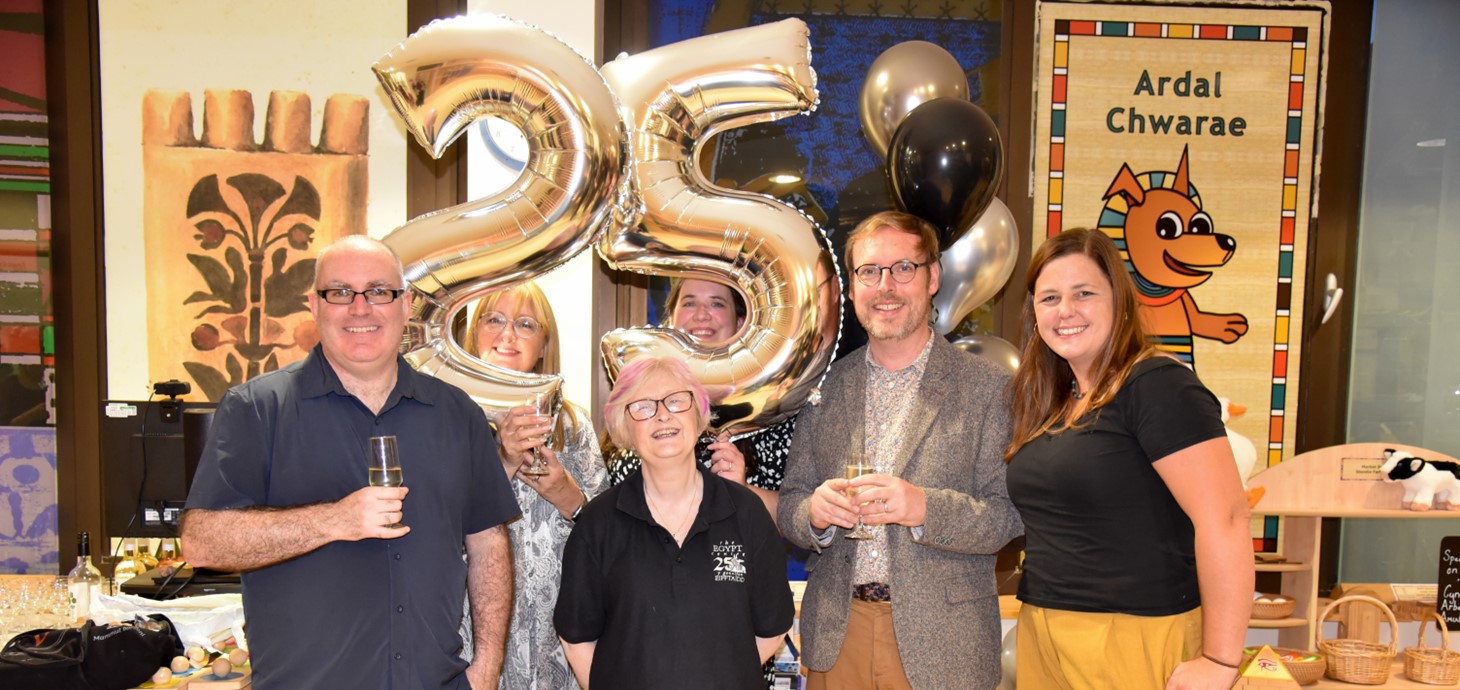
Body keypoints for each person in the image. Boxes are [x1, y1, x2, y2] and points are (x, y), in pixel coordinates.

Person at [180, 235, 520, 690]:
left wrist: (486, 668)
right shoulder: (258, 408)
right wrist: (333, 520)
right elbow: (203, 543)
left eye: (379, 291)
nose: (361, 309)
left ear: (406, 305)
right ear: (314, 306)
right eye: (339, 292)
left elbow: (488, 542)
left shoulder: (458, 413)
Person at [777, 210, 1023, 690]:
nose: (885, 286)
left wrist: (924, 507)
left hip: (943, 643)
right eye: (869, 271)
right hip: (837, 635)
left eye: (902, 268)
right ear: (852, 287)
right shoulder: (826, 388)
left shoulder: (989, 388)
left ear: (932, 277)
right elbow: (790, 503)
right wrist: (814, 514)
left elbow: (1008, 517)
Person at [1005, 228, 1253, 690]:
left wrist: (1221, 660)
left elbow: (1228, 518)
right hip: (1045, 627)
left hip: (1136, 632)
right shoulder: (1052, 401)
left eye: (1084, 293)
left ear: (1119, 301)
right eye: (1049, 298)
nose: (1066, 311)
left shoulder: (1157, 384)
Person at [555, 355, 794, 689]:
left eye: (676, 400)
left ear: (698, 417)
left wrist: (717, 675)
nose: (663, 414)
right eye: (643, 406)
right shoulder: (598, 523)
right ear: (625, 428)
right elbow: (576, 637)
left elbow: (772, 627)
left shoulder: (746, 513)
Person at [457, 281, 607, 690]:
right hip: (470, 635)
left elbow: (614, 541)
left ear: (543, 344)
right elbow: (434, 532)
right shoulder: (448, 423)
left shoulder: (573, 427)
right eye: (494, 320)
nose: (508, 334)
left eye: (525, 324)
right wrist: (503, 463)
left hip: (559, 639)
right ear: (473, 336)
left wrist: (569, 497)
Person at [604, 278, 786, 518]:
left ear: (741, 322)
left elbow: (796, 523)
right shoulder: (639, 392)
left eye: (717, 304)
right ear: (671, 318)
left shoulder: (769, 409)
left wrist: (743, 491)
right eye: (689, 303)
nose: (701, 315)